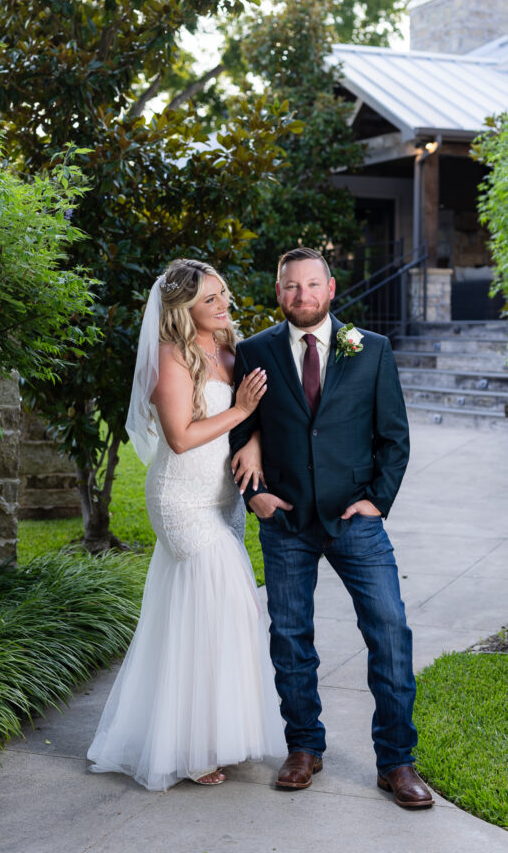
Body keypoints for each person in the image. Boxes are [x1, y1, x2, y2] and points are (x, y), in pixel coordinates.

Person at [230, 247, 434, 810]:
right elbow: (237, 432)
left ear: (331, 287)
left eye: (312, 285)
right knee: (290, 639)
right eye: (291, 286)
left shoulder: (372, 350)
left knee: (390, 633)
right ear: (278, 292)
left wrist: (377, 502)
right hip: (287, 520)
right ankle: (303, 747)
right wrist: (255, 497)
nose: (302, 296)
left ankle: (396, 760)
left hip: (355, 521)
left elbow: (394, 437)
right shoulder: (254, 351)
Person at [87, 258, 285, 790]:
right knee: (229, 601)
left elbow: (258, 418)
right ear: (182, 310)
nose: (224, 306)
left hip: (222, 498)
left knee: (209, 614)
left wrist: (256, 440)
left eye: (224, 295)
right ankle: (194, 747)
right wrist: (241, 411)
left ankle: (208, 731)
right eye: (210, 301)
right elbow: (179, 436)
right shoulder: (169, 356)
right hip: (181, 499)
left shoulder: (229, 348)